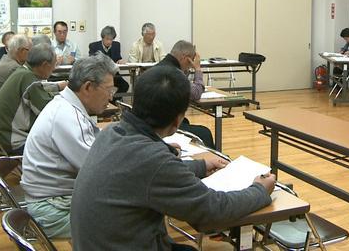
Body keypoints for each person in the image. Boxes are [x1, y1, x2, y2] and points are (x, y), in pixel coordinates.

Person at [70, 66, 276, 250]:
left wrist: (200, 166)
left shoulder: (113, 132)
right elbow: (213, 209)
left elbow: (148, 176)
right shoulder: (153, 159)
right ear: (178, 120)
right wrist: (259, 190)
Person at [21, 53, 118, 238]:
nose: (110, 98)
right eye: (109, 90)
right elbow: (100, 170)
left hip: (55, 199)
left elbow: (96, 148)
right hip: (52, 210)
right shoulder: (67, 116)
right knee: (131, 219)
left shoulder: (67, 105)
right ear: (88, 87)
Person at [0, 38, 63, 155]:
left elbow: (38, 90)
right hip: (13, 141)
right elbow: (47, 111)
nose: (53, 69)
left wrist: (57, 89)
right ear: (44, 65)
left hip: (1, 134)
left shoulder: (22, 72)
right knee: (60, 148)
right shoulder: (29, 79)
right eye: (53, 65)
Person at [156, 40, 215, 149]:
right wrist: (197, 69)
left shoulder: (160, 66)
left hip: (151, 123)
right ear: (185, 58)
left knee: (186, 121)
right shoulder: (174, 74)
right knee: (204, 133)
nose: (190, 66)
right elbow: (196, 93)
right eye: (190, 61)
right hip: (163, 126)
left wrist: (187, 68)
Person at [88, 25, 129, 97]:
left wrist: (120, 61)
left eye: (111, 39)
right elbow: (92, 61)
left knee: (125, 85)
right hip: (99, 75)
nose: (109, 41)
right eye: (107, 39)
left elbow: (118, 58)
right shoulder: (94, 46)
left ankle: (112, 101)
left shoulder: (117, 45)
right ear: (102, 38)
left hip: (113, 74)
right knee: (101, 87)